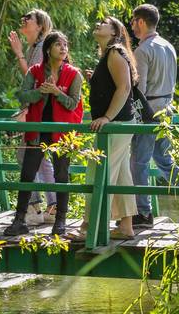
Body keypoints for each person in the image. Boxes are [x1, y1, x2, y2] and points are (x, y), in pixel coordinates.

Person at [128, 4, 179, 227]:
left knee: (138, 162)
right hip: (167, 111)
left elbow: (139, 89)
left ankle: (143, 213)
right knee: (164, 161)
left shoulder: (142, 51)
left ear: (141, 22)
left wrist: (135, 116)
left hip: (149, 113)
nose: (132, 26)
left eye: (133, 21)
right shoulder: (168, 46)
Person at [3, 31, 84, 236]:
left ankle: (60, 222)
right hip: (38, 130)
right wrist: (41, 92)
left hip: (62, 131)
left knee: (62, 175)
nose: (63, 48)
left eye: (65, 44)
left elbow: (74, 104)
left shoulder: (74, 74)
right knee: (27, 174)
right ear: (48, 49)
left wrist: (57, 93)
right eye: (59, 44)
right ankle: (19, 220)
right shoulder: (35, 71)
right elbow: (23, 95)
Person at [70, 17, 139, 241]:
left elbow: (125, 87)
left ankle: (89, 227)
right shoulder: (108, 54)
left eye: (105, 22)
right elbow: (113, 87)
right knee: (119, 175)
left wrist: (107, 117)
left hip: (116, 124)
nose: (98, 24)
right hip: (119, 124)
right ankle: (126, 226)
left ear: (115, 31)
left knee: (97, 171)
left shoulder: (115, 53)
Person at [8, 9, 58, 226]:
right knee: (42, 159)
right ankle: (52, 208)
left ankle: (35, 207)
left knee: (26, 157)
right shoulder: (36, 47)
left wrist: (18, 53)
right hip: (40, 109)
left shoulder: (42, 46)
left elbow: (33, 76)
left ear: (39, 26)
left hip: (40, 110)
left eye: (28, 19)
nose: (24, 21)